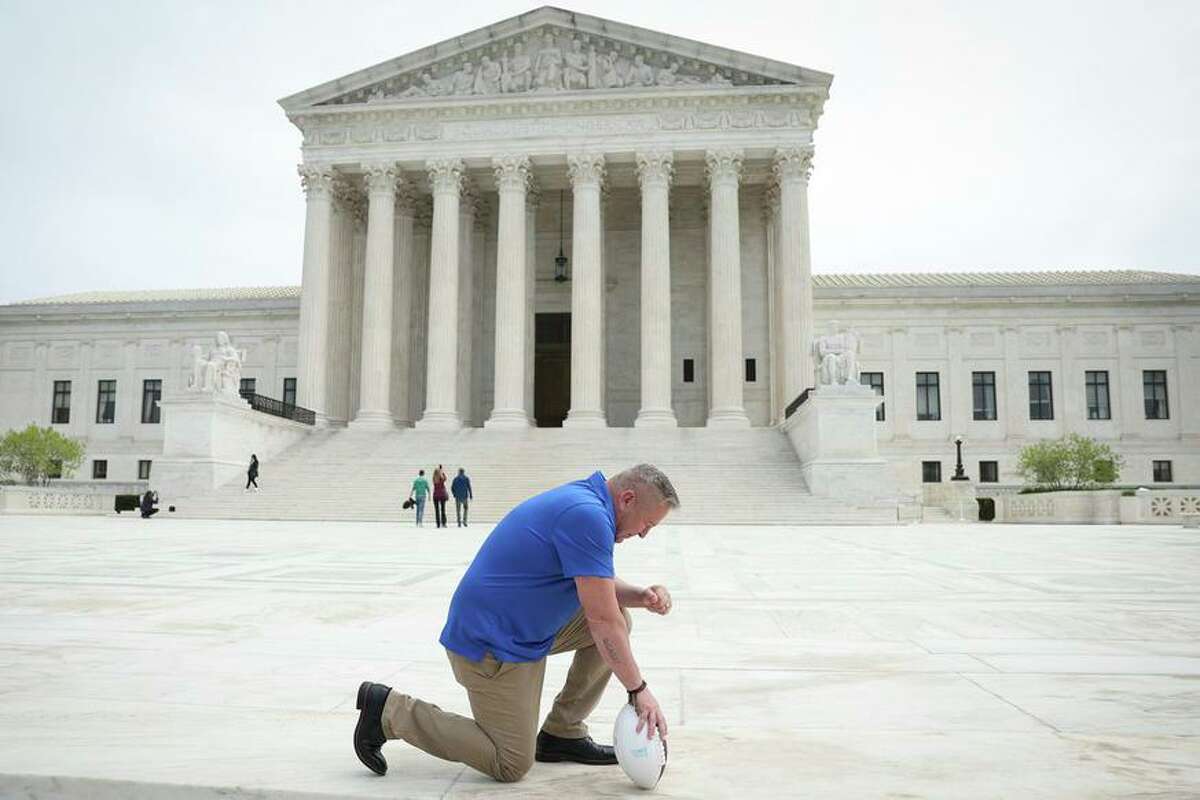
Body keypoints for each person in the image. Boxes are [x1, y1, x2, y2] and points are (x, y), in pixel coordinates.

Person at [353, 464, 679, 784]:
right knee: (509, 761)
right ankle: (390, 711)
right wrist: (638, 690)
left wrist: (641, 595)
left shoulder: (587, 503)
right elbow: (602, 620)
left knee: (620, 616)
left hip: (519, 628)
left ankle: (561, 733)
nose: (645, 534)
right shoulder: (588, 516)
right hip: (491, 645)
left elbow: (596, 585)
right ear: (627, 499)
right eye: (647, 524)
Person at [432, 465, 449, 529]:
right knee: (443, 510)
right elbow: (445, 478)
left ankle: (438, 524)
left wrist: (439, 471)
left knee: (437, 510)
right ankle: (444, 523)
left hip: (435, 495)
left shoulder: (434, 478)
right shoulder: (441, 478)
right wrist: (442, 472)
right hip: (442, 495)